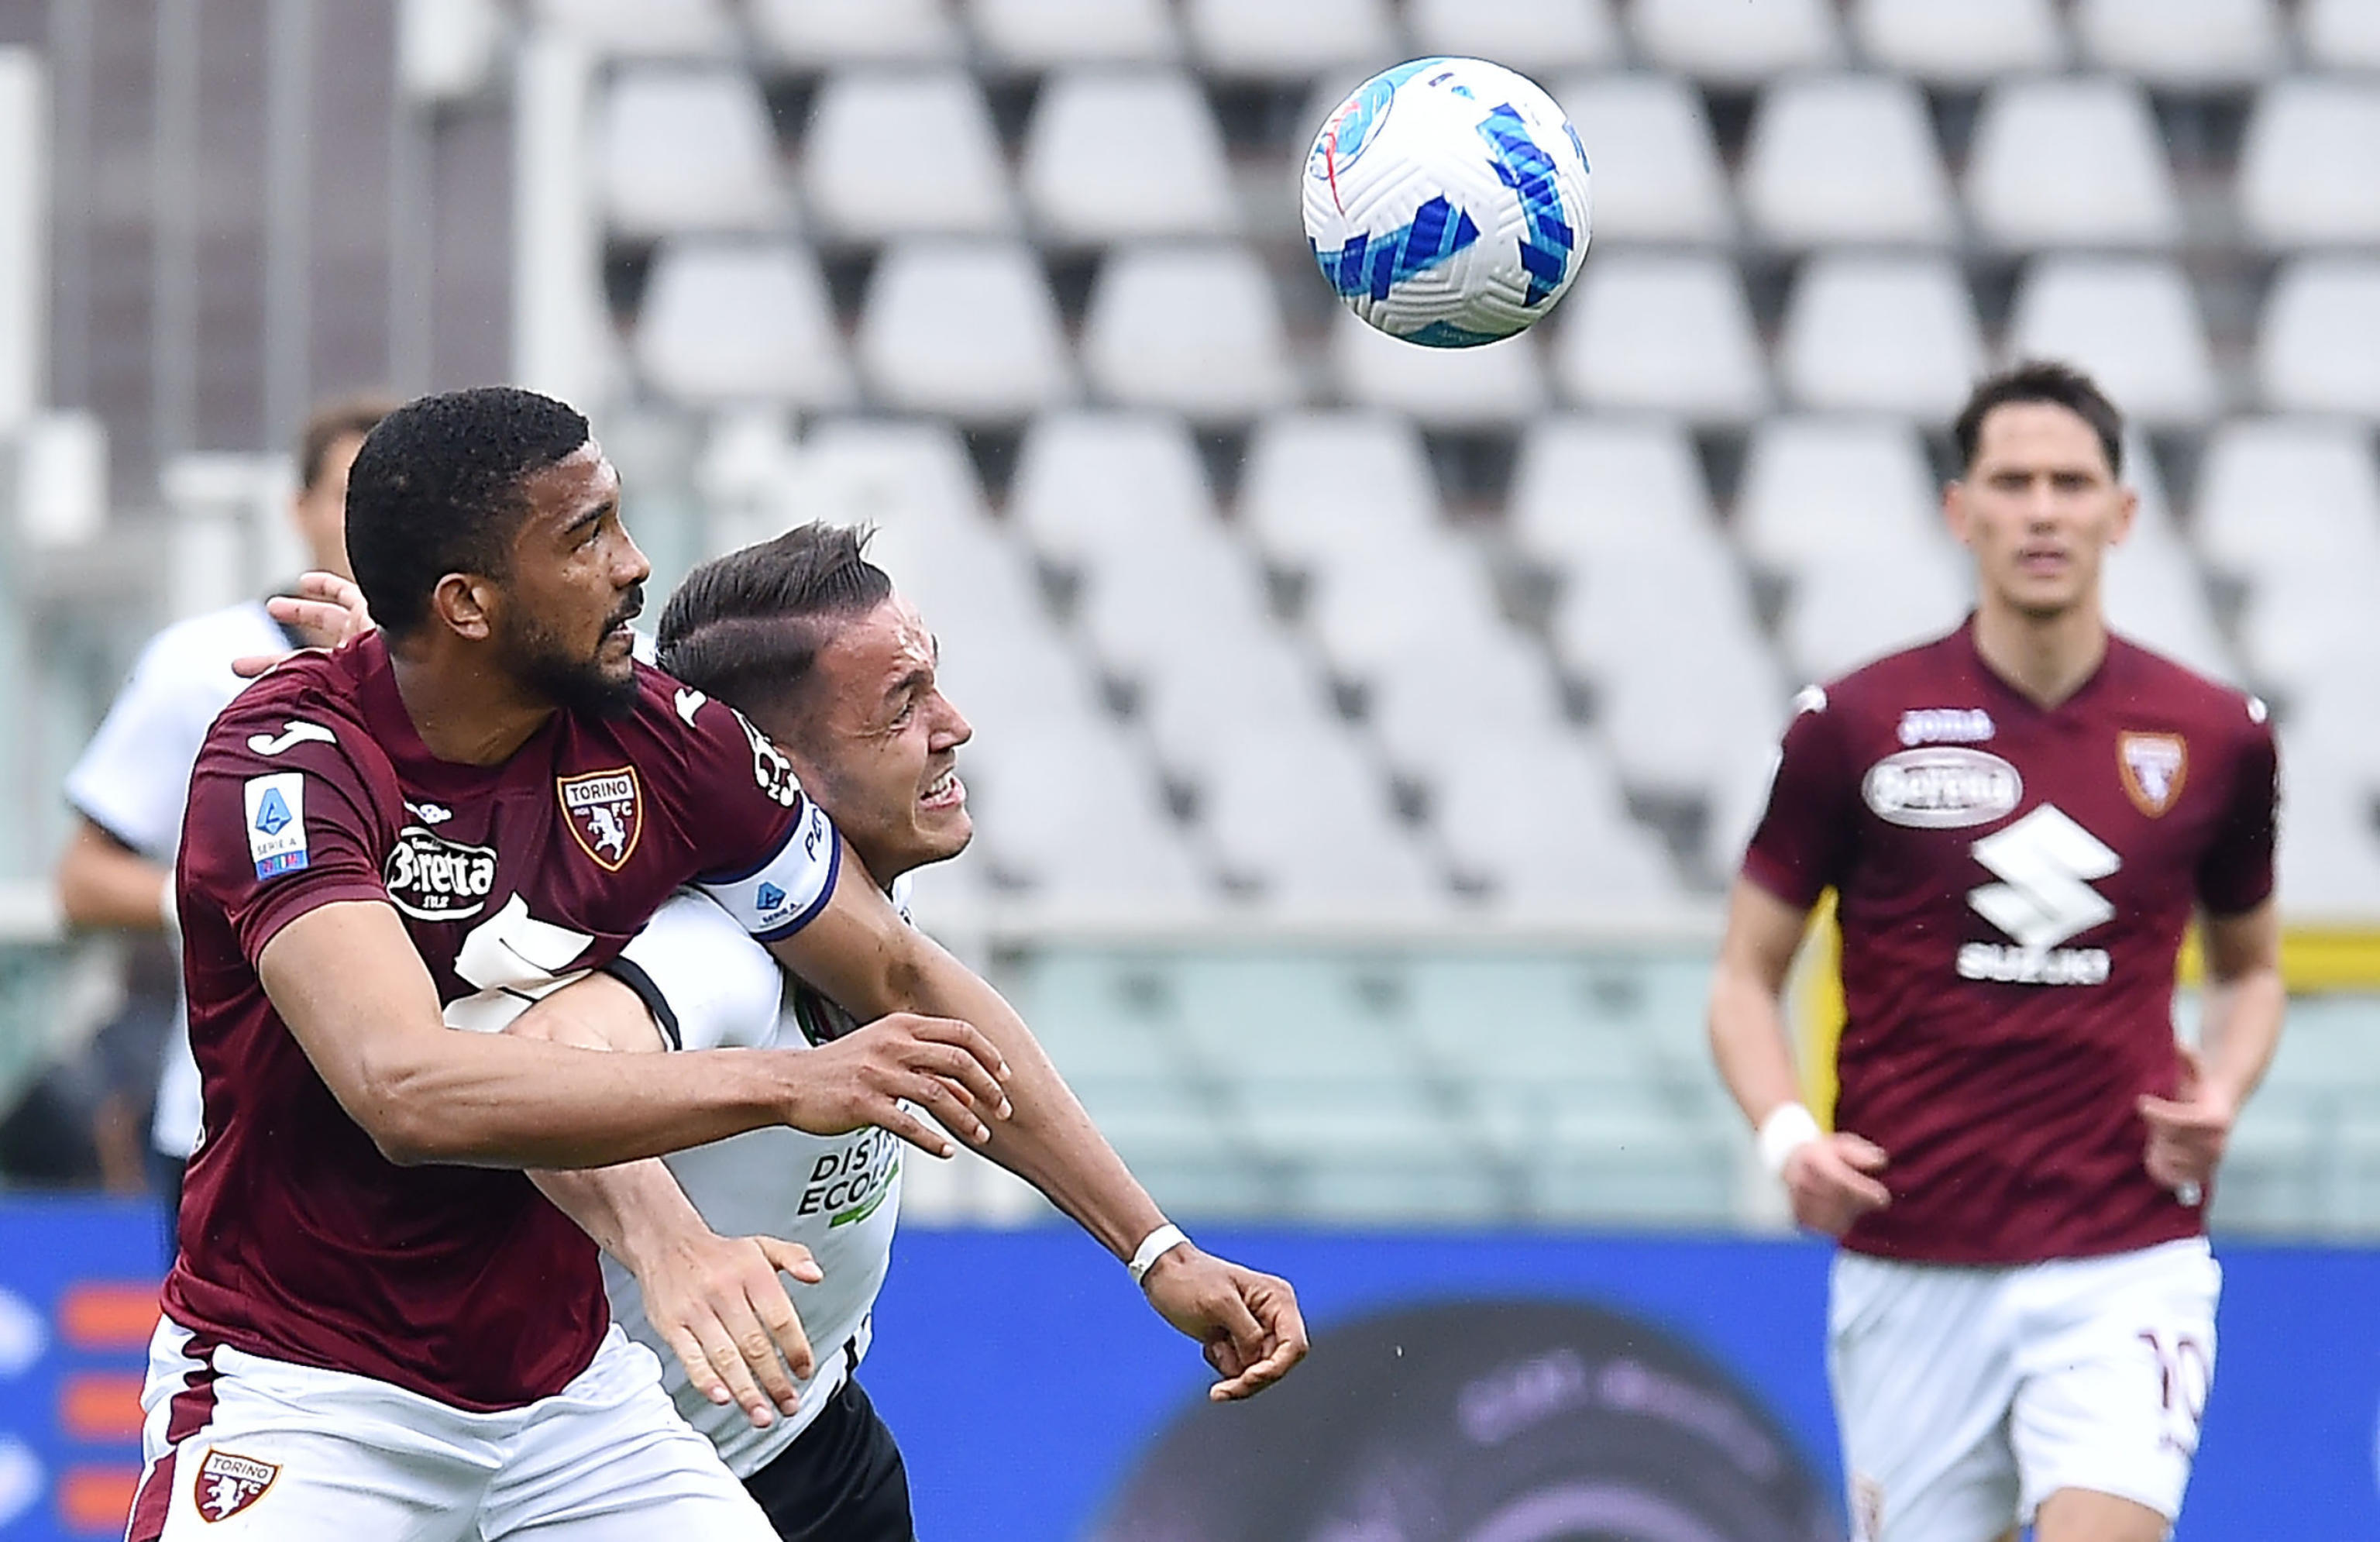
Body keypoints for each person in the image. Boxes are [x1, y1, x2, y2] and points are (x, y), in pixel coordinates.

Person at [127, 387, 1304, 1541]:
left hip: (566, 1398)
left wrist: (1155, 1250)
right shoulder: (285, 762)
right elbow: (404, 1089)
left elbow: (901, 976)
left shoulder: (666, 738)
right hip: (314, 1389)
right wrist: (772, 1104)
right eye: (587, 537)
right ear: (469, 604)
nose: (635, 564)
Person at [502, 522, 1305, 1540]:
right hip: (625, 1493)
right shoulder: (711, 949)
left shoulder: (856, 900)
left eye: (936, 684)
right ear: (772, 771)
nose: (954, 725)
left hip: (811, 1446)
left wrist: (1159, 1253)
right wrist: (677, 1245)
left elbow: (961, 1046)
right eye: (902, 705)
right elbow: (544, 1063)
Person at [1707, 361, 2283, 1542]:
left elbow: (2251, 970)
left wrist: (2222, 1086)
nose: (2042, 510)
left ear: (2123, 512)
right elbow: (1744, 978)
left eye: (2071, 482)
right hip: (1911, 1259)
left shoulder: (2214, 735)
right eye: (2013, 483)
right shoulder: (1854, 726)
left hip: (2127, 1251)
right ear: (1960, 510)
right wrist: (1788, 1138)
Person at [57, 394, 393, 1209]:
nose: (372, 520)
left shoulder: (479, 672)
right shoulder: (201, 662)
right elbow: (82, 880)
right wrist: (230, 900)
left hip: (431, 1116)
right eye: (350, 494)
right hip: (232, 1116)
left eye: (400, 496)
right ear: (298, 509)